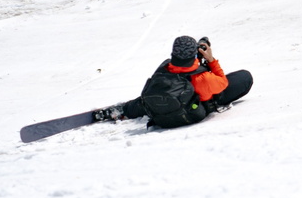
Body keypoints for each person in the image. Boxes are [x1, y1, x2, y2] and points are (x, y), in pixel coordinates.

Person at [95, 35, 253, 128]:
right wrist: (210, 60)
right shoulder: (203, 78)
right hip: (194, 108)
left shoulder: (165, 67)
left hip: (161, 104)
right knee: (244, 78)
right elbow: (222, 82)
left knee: (142, 103)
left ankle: (119, 111)